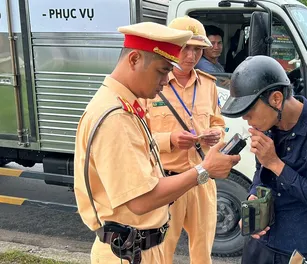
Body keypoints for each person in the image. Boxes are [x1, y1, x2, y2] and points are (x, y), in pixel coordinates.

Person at [73, 22, 240, 264]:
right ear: (134, 60)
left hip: (139, 247)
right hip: (130, 250)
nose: (165, 80)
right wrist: (204, 171)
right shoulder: (117, 116)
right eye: (162, 71)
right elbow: (141, 200)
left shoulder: (125, 104)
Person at [220, 55, 307, 264]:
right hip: (260, 245)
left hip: (299, 250)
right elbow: (260, 175)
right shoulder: (268, 127)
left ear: (276, 99)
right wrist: (254, 195)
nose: (246, 119)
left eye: (250, 111)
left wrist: (276, 164)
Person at [144, 16, 224, 264]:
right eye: (185, 47)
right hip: (167, 181)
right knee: (161, 251)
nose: (191, 55)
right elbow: (137, 138)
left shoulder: (208, 85)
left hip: (202, 180)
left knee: (203, 251)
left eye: (198, 49)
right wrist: (169, 139)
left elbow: (219, 124)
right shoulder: (151, 85)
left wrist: (216, 134)